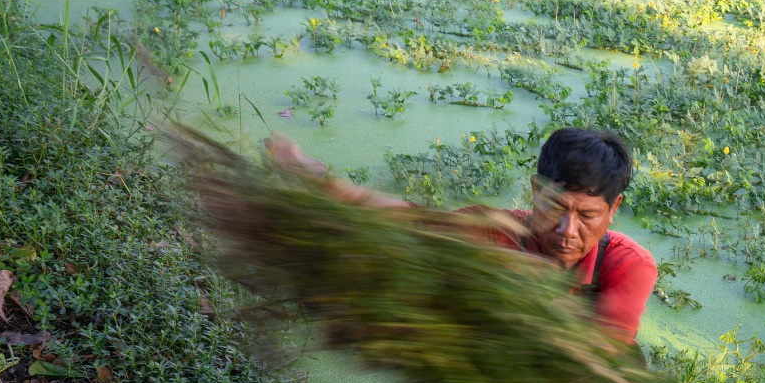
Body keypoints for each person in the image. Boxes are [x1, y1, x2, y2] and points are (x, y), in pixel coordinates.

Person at [267, 127, 657, 344]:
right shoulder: (492, 231)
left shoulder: (627, 264)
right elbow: (410, 220)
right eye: (556, 207)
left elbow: (606, 346)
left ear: (614, 209)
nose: (566, 232)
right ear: (536, 191)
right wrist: (322, 182)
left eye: (587, 216)